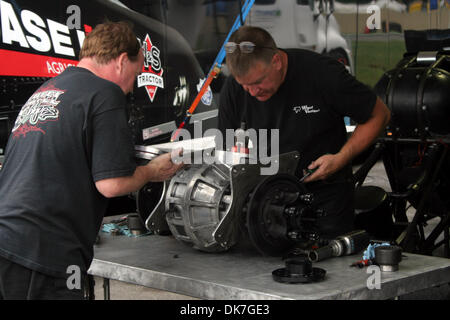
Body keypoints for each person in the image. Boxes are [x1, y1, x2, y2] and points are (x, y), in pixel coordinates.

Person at [0, 21, 183, 300]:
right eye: (135, 75)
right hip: (42, 252)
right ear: (123, 61)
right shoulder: (105, 93)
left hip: (9, 240)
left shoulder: (50, 88)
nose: (131, 87)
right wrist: (151, 171)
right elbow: (112, 184)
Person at [218, 26, 390, 240]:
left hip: (324, 200)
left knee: (332, 270)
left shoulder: (322, 74)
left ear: (277, 62)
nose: (253, 92)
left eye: (258, 82)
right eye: (245, 86)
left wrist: (340, 158)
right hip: (263, 206)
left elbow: (379, 115)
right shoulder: (233, 89)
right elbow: (224, 152)